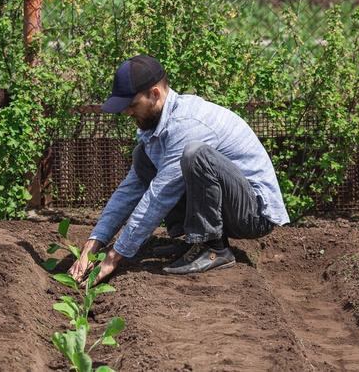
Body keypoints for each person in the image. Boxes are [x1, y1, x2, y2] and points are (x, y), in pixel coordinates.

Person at [68, 54, 290, 285]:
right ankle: (195, 241)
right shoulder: (160, 126)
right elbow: (130, 189)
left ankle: (214, 249)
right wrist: (93, 244)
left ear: (155, 94)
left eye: (133, 105)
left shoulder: (187, 125)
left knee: (195, 155)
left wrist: (115, 256)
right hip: (229, 205)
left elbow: (159, 195)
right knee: (142, 157)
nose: (127, 112)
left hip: (252, 213)